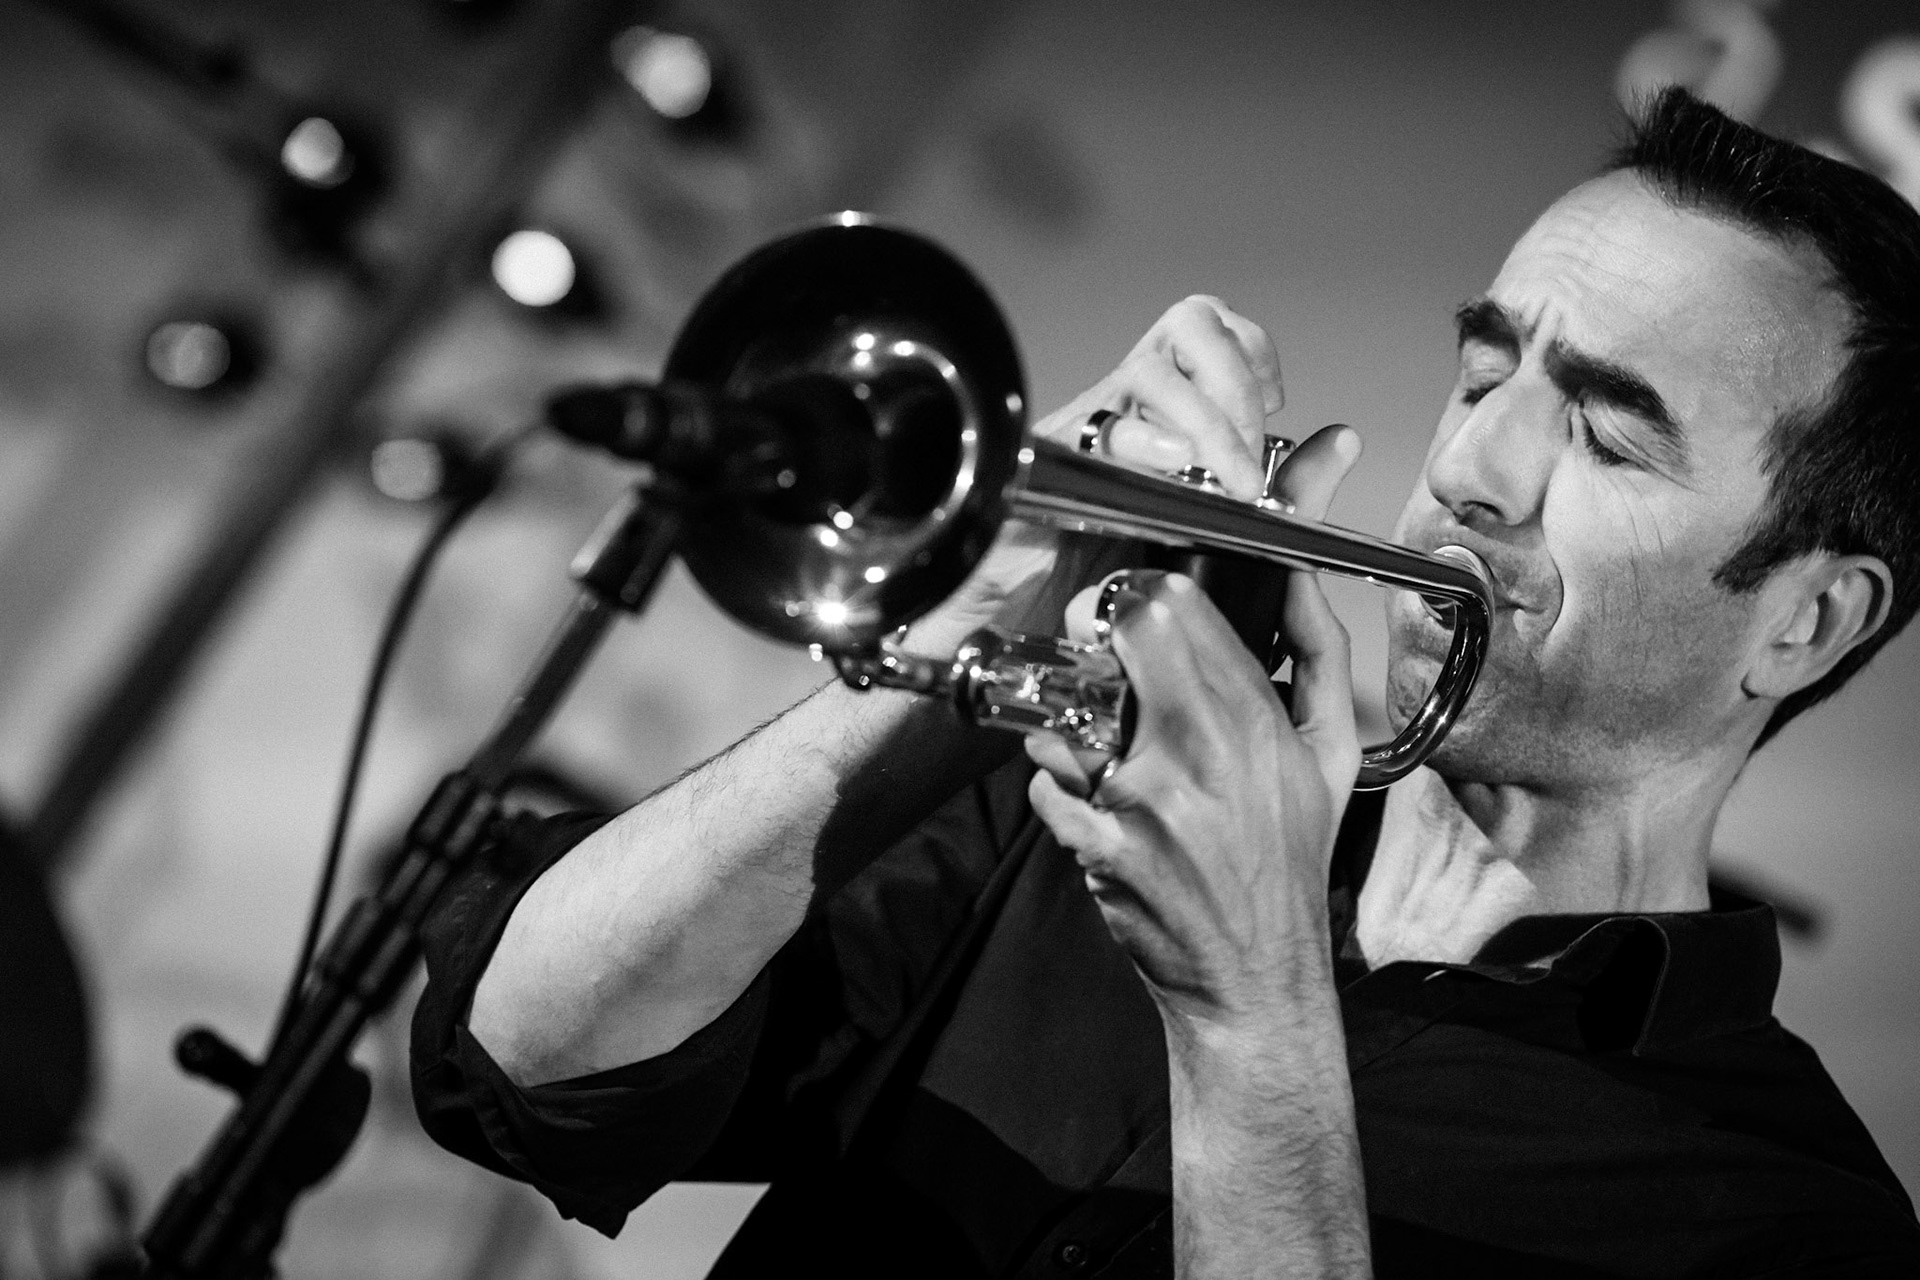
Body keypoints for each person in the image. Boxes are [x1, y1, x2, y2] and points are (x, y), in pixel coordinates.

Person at [411, 89, 1920, 1277]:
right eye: (1482, 375)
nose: (1469, 468)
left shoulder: (1783, 1223)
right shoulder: (1100, 806)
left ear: (1806, 622)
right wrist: (990, 618)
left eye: (1603, 436)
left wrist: (1253, 1018)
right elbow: (531, 1065)